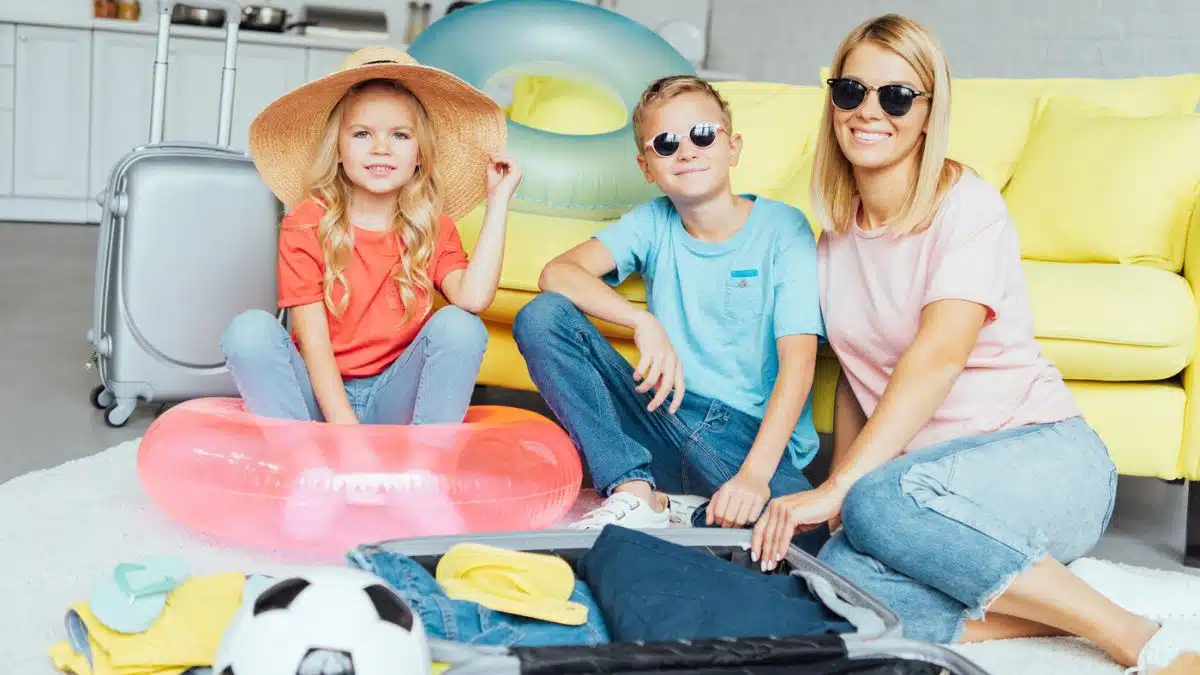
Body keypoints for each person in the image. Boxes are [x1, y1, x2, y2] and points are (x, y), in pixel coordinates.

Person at [749, 14, 1199, 672]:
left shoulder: (968, 207)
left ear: (929, 113)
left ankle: (1132, 633)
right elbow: (855, 373)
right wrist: (844, 505)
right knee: (833, 573)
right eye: (851, 91)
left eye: (896, 96)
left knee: (874, 500)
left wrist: (843, 485)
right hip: (927, 494)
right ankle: (1053, 603)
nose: (868, 111)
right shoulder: (834, 239)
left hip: (1047, 463)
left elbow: (937, 357)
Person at [512, 75, 828, 551]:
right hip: (663, 415)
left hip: (742, 442)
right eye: (665, 144)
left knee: (807, 541)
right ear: (646, 167)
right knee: (543, 316)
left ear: (732, 147)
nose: (687, 151)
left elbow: (799, 363)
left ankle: (683, 510)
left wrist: (754, 478)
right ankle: (634, 488)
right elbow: (558, 273)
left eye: (703, 134)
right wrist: (644, 323)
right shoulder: (652, 223)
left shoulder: (783, 228)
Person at [221, 46, 521, 427]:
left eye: (399, 135)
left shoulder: (433, 224)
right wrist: (344, 431)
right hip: (317, 398)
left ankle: (426, 466)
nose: (381, 147)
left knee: (461, 326)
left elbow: (474, 298)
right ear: (339, 151)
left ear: (420, 155)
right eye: (363, 133)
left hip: (394, 400)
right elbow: (312, 341)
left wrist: (498, 202)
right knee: (248, 330)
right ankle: (303, 465)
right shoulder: (306, 222)